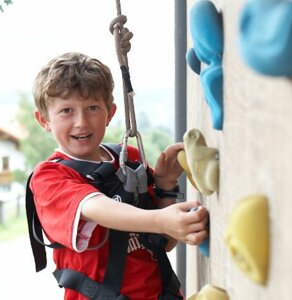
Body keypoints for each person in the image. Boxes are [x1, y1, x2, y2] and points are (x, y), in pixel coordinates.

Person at [29, 52, 209, 300]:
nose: (81, 122)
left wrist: (166, 185)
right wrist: (160, 219)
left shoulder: (129, 159)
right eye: (66, 111)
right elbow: (97, 207)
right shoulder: (50, 177)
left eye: (92, 108)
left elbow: (163, 243)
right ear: (44, 120)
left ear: (110, 113)